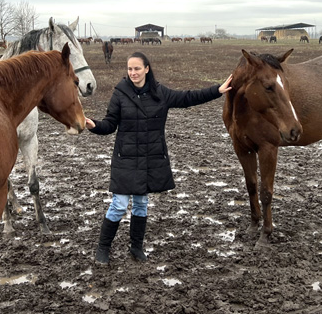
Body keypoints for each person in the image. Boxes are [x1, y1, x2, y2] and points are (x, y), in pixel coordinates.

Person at [85, 51, 232, 264]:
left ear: (146, 69)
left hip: (150, 158)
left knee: (141, 204)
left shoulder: (160, 93)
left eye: (137, 68)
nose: (133, 72)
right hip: (125, 157)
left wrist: (217, 90)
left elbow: (188, 97)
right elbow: (110, 124)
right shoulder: (120, 93)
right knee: (119, 205)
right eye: (129, 69)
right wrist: (94, 126)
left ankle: (136, 247)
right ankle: (103, 248)